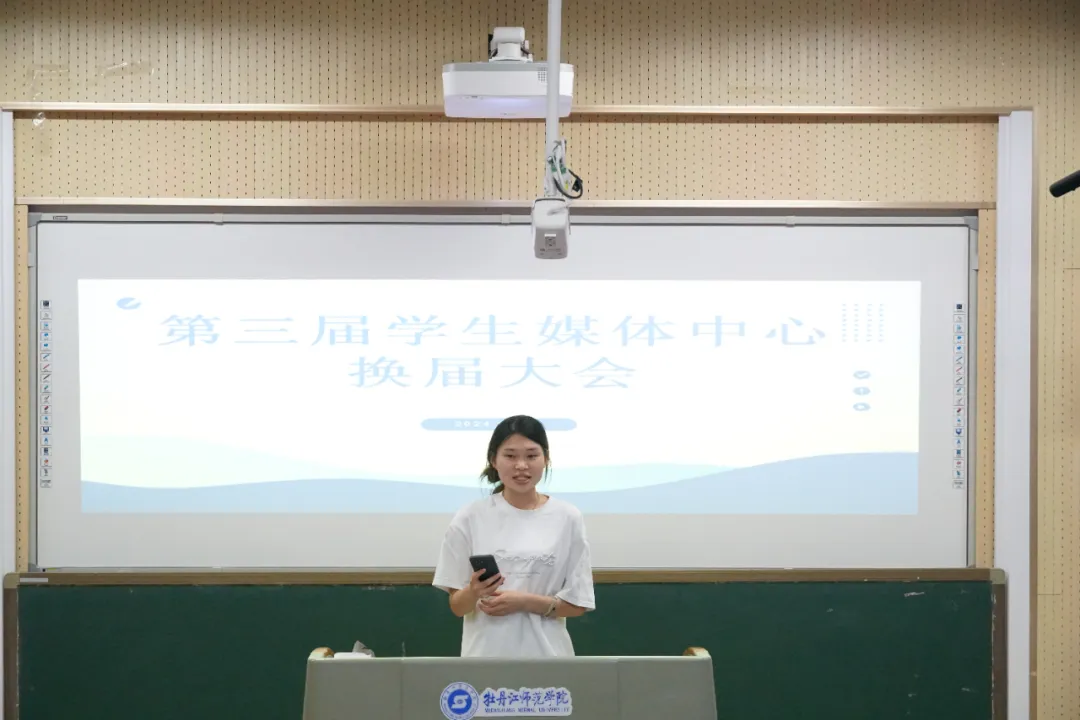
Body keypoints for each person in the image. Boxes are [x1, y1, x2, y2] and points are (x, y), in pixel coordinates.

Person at [432, 415, 596, 657]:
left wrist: (523, 602)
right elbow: (457, 607)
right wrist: (474, 591)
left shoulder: (567, 517)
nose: (521, 465)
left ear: (546, 459)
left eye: (531, 456)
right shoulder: (470, 517)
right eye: (510, 456)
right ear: (493, 460)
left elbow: (578, 604)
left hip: (549, 658)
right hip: (485, 659)